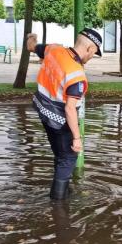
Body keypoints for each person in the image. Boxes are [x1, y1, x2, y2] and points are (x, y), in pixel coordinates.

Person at [26, 29, 102, 199]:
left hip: (43, 113)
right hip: (60, 120)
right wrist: (77, 138)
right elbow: (69, 109)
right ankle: (58, 204)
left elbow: (31, 47)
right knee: (68, 158)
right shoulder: (77, 75)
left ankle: (64, 189)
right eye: (94, 53)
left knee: (60, 155)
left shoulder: (53, 50)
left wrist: (32, 38)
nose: (91, 58)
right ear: (90, 48)